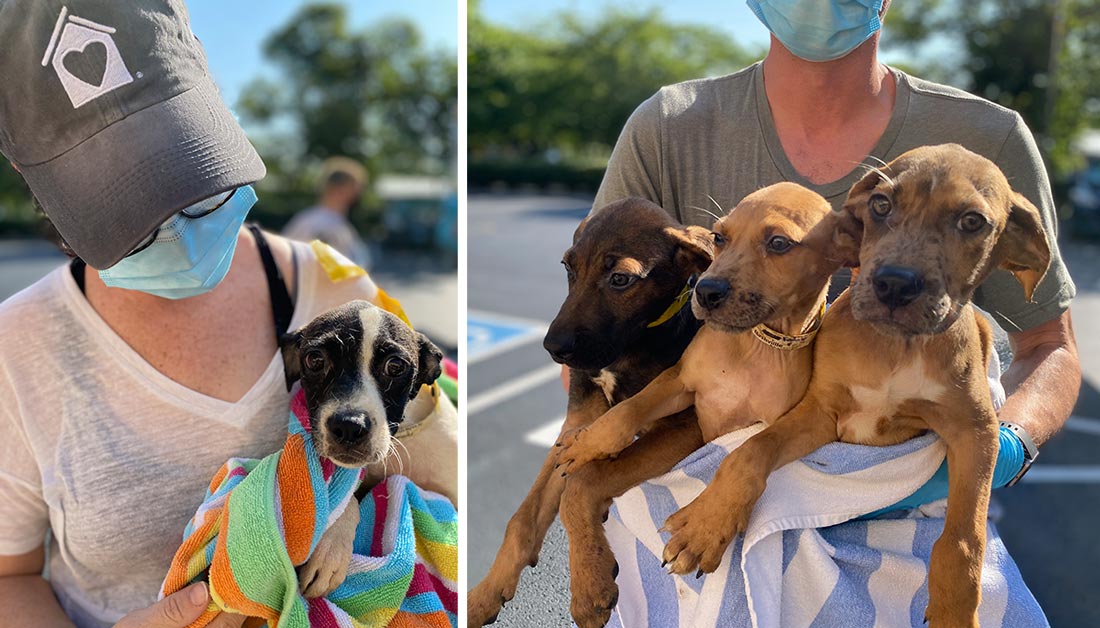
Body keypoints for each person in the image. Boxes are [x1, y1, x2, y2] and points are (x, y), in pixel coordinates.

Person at [585, 0, 1081, 622]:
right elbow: (592, 327)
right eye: (882, 211)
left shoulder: (990, 141)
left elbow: (1049, 346)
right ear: (855, 222)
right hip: (686, 492)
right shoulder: (668, 127)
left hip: (907, 531)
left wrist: (1005, 447)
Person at [0, 2, 393, 626]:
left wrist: (343, 506)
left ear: (204, 66)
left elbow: (411, 459)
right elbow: (9, 575)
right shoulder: (17, 346)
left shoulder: (331, 289)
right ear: (23, 169)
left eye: (194, 176)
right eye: (122, 211)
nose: (177, 232)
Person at [282, 157, 373, 270]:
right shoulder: (319, 224)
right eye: (355, 187)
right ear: (338, 188)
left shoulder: (337, 222)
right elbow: (329, 272)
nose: (359, 193)